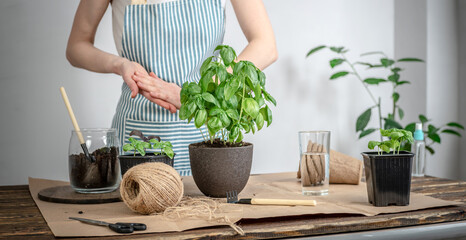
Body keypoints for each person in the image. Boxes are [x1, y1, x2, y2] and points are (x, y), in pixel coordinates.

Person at [66, 0, 277, 176]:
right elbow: (76, 46)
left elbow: (265, 46)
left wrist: (196, 95)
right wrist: (119, 64)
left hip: (206, 129)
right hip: (140, 132)